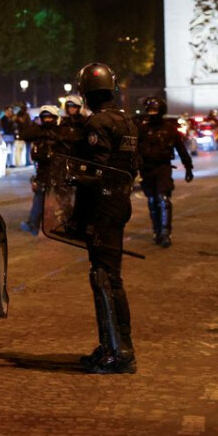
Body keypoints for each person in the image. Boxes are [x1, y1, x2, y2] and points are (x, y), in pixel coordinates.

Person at [70, 63, 139, 374]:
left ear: (85, 92)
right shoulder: (128, 122)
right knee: (108, 276)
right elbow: (131, 166)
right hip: (119, 203)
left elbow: (99, 170)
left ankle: (120, 352)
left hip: (101, 206)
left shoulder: (97, 123)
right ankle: (112, 344)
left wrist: (75, 178)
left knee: (105, 278)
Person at [137, 97, 193, 248]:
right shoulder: (142, 130)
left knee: (164, 199)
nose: (152, 113)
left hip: (163, 168)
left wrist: (188, 167)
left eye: (155, 110)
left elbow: (181, 149)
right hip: (146, 169)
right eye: (150, 110)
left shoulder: (170, 130)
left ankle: (165, 233)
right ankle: (156, 231)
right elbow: (134, 150)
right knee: (152, 201)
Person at [19, 105, 65, 235]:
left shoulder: (61, 131)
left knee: (61, 198)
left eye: (50, 117)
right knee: (40, 196)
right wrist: (40, 130)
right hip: (43, 170)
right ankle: (33, 224)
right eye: (45, 117)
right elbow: (25, 135)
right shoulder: (39, 130)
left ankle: (63, 225)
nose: (47, 119)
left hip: (58, 170)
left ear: (55, 118)